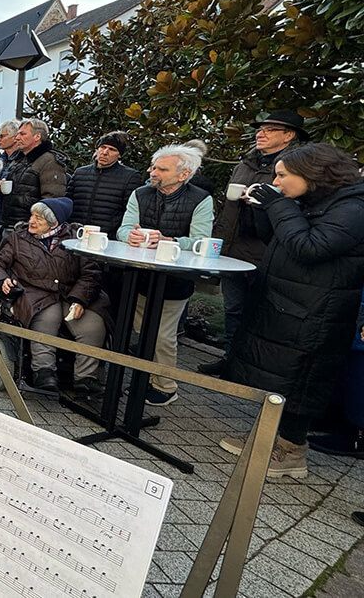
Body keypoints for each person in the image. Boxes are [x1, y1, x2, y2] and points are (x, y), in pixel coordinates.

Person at [218, 143, 364, 478]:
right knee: (279, 375)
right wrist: (261, 208)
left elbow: (310, 247)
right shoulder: (313, 201)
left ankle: (292, 452)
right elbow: (278, 238)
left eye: (283, 175)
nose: (277, 181)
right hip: (290, 303)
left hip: (318, 311)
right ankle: (269, 438)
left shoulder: (354, 207)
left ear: (311, 173)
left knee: (302, 381)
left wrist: (280, 205)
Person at [201, 110, 308, 376]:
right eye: (260, 129)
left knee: (262, 312)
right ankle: (230, 359)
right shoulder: (245, 163)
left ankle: (252, 367)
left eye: (270, 129)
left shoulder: (296, 166)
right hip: (234, 249)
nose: (261, 133)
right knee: (234, 308)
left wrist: (264, 206)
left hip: (266, 253)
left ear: (288, 136)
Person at [117, 144, 213, 406]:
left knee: (161, 335)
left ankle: (165, 386)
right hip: (139, 277)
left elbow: (201, 242)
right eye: (153, 167)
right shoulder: (141, 193)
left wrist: (168, 240)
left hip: (174, 281)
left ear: (184, 174)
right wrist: (132, 236)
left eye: (161, 168)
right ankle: (144, 379)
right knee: (141, 330)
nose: (153, 172)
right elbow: (123, 230)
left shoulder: (201, 199)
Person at [0, 198, 110, 396]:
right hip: (34, 292)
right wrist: (2, 279)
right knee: (47, 318)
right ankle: (43, 371)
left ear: (54, 223)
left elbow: (90, 274)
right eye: (32, 215)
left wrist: (79, 299)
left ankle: (86, 377)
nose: (32, 221)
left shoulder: (76, 239)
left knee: (92, 325)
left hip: (71, 292)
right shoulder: (19, 237)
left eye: (39, 218)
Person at [0, 118, 68, 234]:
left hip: (29, 229)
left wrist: (34, 226)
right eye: (17, 134)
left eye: (22, 134)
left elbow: (51, 200)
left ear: (37, 137)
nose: (17, 137)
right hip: (10, 225)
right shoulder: (18, 159)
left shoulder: (50, 161)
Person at [67, 131, 142, 236]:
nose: (105, 152)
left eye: (112, 149)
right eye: (103, 147)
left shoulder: (130, 177)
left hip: (107, 238)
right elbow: (68, 202)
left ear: (119, 155)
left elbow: (129, 212)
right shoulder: (80, 173)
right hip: (75, 234)